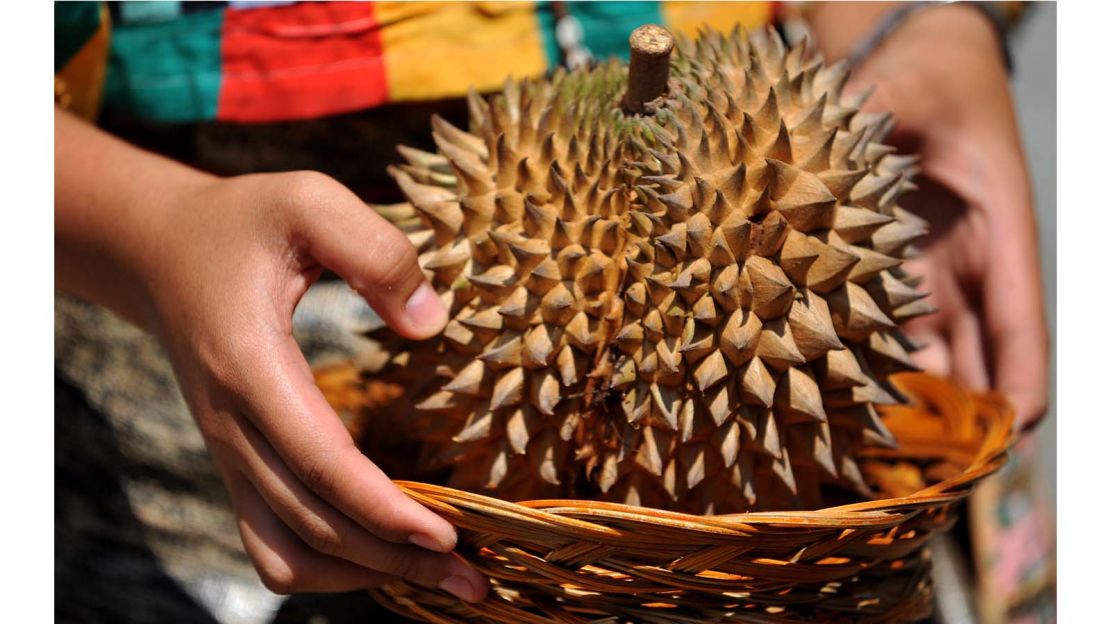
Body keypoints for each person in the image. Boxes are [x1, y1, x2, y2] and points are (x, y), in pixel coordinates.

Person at [55, 0, 1048, 610]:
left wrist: (917, 17)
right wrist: (147, 234)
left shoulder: (800, 199)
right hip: (199, 384)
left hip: (797, 522)